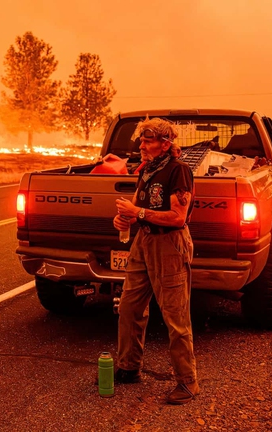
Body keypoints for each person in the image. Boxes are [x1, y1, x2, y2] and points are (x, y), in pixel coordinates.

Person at [112, 117, 199, 405]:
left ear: (165, 144)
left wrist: (136, 213)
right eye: (141, 140)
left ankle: (187, 382)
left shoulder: (178, 171)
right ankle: (129, 367)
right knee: (129, 306)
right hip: (144, 241)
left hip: (169, 245)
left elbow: (178, 217)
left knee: (175, 315)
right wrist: (123, 219)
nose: (142, 145)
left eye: (147, 141)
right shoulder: (148, 170)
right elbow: (139, 208)